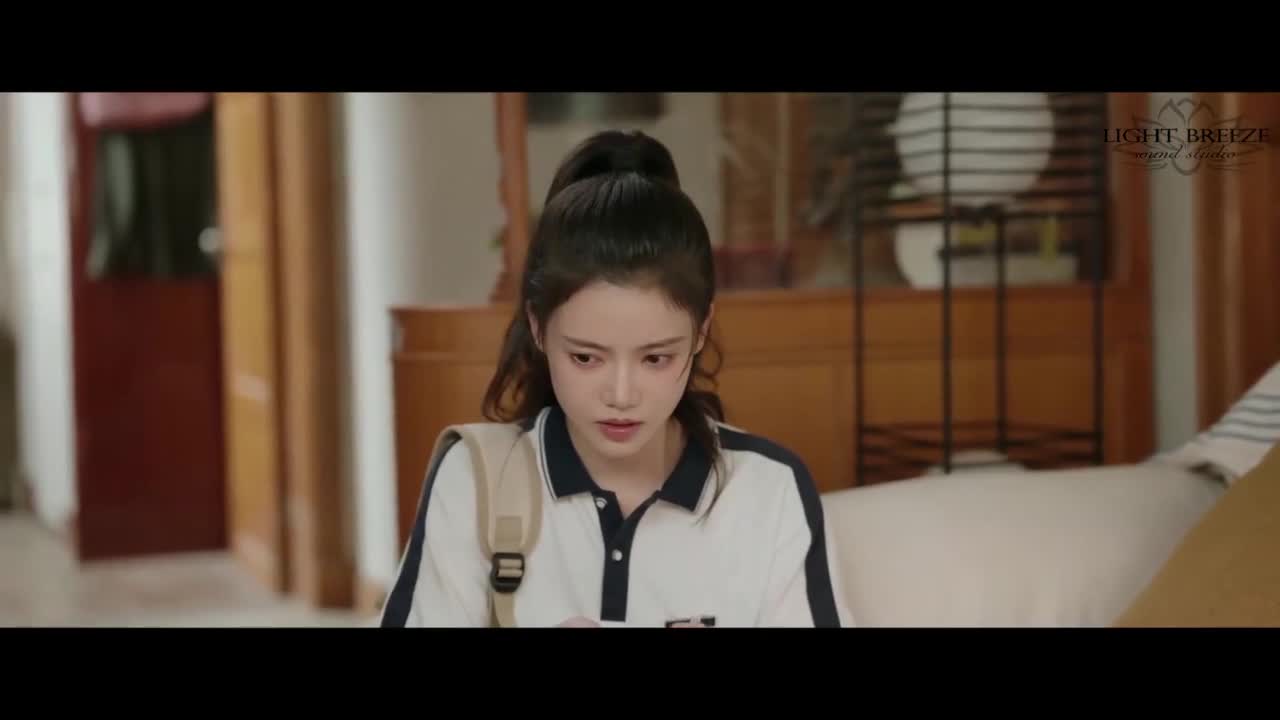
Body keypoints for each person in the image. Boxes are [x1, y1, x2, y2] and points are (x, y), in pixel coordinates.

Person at [380, 129, 852, 628]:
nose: (621, 396)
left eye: (656, 359)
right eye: (586, 358)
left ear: (701, 332)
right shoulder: (475, 479)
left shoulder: (767, 490)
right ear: (538, 327)